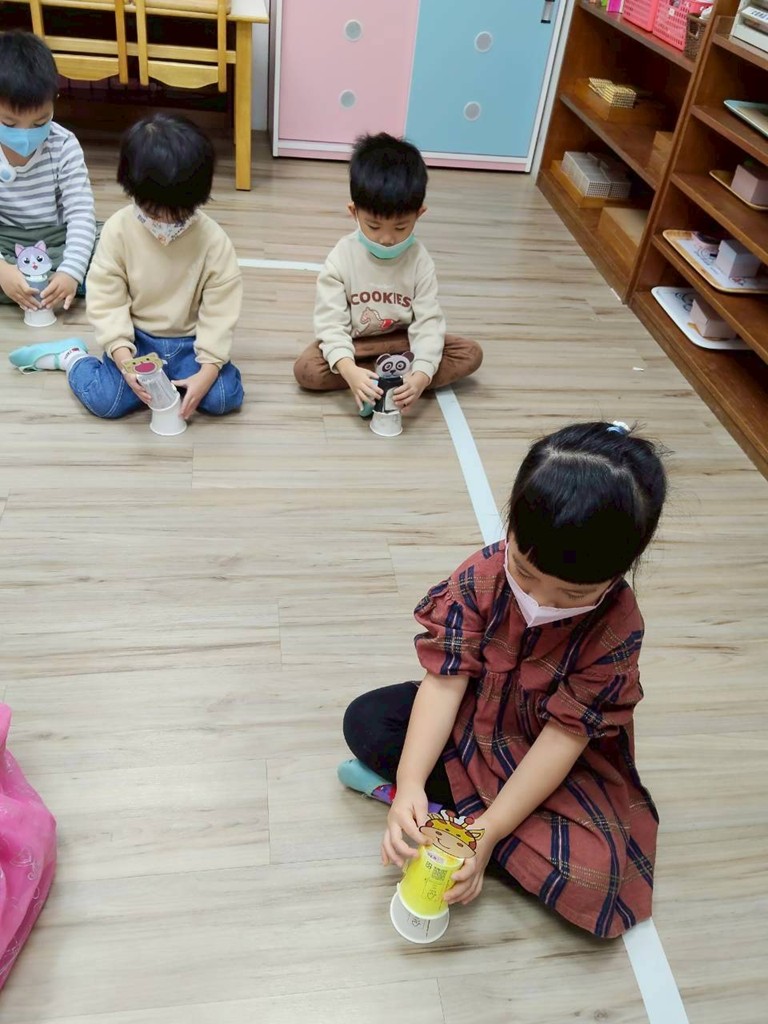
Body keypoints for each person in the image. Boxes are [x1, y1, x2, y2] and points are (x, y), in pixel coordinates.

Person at [339, 421, 667, 939]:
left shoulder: (616, 630)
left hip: (544, 752)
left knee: (594, 879)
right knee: (367, 719)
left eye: (572, 594)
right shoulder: (483, 574)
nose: (541, 601)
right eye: (526, 574)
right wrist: (411, 784)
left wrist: (487, 835)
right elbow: (444, 684)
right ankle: (434, 808)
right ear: (510, 527)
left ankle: (458, 821)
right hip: (473, 720)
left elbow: (562, 741)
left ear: (621, 571)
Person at [9, 113, 244, 420]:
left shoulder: (214, 241)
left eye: (179, 212)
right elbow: (107, 299)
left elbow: (220, 311)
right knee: (107, 402)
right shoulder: (117, 231)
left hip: (191, 343)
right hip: (136, 340)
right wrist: (122, 356)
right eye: (154, 212)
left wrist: (209, 368)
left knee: (225, 397)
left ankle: (188, 379)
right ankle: (72, 358)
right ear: (132, 190)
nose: (165, 222)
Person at [293, 132, 482, 415]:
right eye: (374, 226)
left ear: (419, 214)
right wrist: (348, 368)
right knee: (307, 369)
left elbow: (427, 323)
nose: (387, 239)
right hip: (358, 345)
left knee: (470, 353)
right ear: (354, 212)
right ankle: (372, 377)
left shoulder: (420, 261)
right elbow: (331, 324)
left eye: (401, 227)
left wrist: (421, 375)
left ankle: (392, 379)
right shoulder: (341, 258)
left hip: (404, 342)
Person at [0, 30, 97, 313]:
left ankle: (57, 284)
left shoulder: (63, 144)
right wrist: (2, 269)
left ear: (54, 99)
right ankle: (37, 286)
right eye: (9, 123)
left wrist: (71, 270)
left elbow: (81, 214)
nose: (25, 135)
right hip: (5, 240)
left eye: (39, 122)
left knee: (114, 242)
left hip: (55, 238)